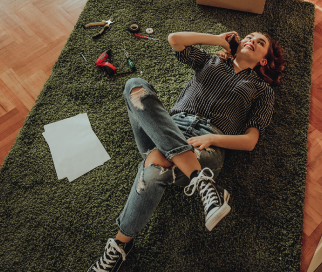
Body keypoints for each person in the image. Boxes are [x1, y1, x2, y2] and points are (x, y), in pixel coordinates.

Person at [87, 31, 286, 272]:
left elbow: (250, 140)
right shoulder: (212, 61)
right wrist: (220, 41)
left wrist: (212, 137)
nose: (251, 40)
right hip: (167, 127)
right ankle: (203, 183)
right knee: (134, 86)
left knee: (154, 167)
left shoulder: (263, 90)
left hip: (208, 144)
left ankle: (120, 246)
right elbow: (174, 39)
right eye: (248, 37)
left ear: (264, 60)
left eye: (260, 42)